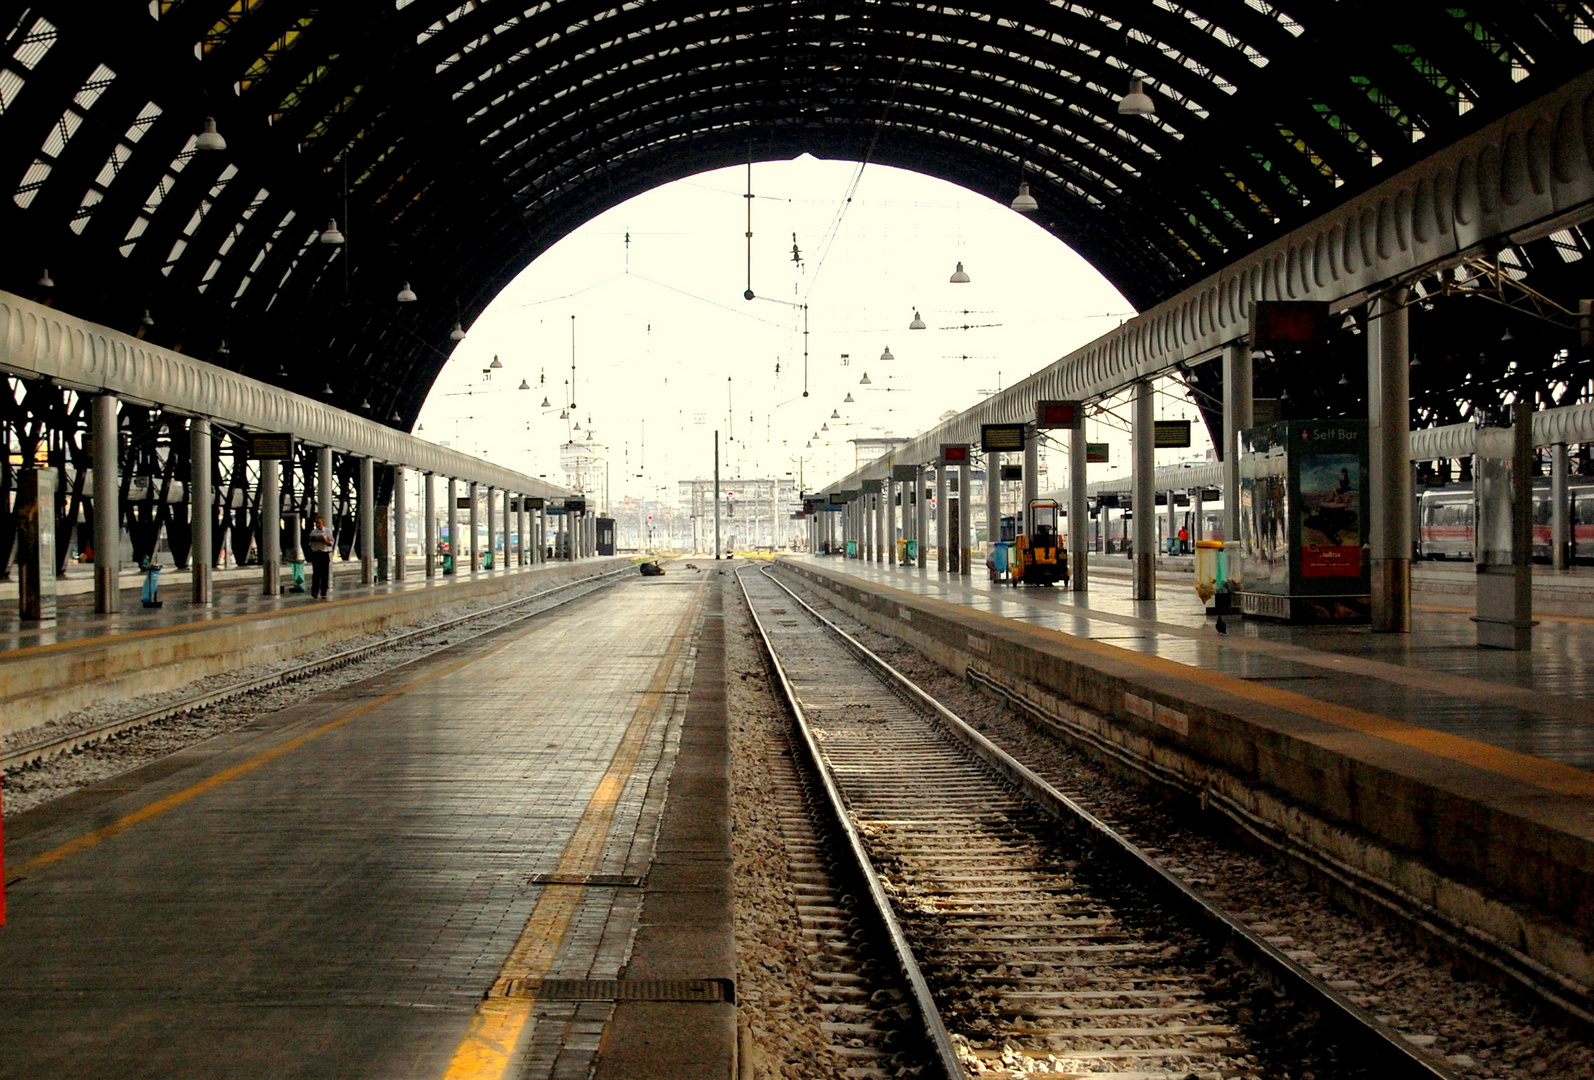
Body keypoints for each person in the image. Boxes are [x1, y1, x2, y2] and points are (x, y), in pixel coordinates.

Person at [306, 515, 334, 600]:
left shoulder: (327, 531)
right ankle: (314, 592)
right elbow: (310, 543)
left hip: (324, 554)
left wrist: (326, 541)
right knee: (316, 574)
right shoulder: (313, 532)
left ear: (323, 523)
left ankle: (323, 592)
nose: (317, 524)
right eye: (316, 523)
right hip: (316, 554)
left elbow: (331, 542)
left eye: (319, 523)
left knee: (324, 574)